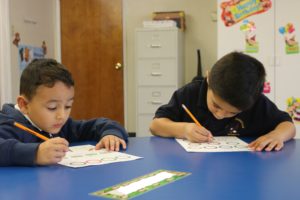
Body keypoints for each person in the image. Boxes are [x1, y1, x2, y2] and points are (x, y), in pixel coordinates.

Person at [150, 52, 295, 151]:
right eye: (216, 105)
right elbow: (155, 126)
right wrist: (184, 129)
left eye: (232, 112)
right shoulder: (189, 94)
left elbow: (288, 125)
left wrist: (277, 135)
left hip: (242, 170)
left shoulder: (255, 102)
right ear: (208, 78)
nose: (220, 115)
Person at [0, 59, 128, 166]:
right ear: (24, 104)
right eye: (52, 107)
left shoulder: (60, 126)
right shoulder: (9, 125)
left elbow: (101, 124)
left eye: (68, 106)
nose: (62, 116)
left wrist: (111, 134)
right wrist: (35, 153)